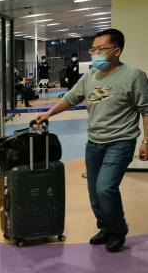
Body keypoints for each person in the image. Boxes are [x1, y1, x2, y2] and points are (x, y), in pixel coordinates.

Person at [35, 29, 148, 252]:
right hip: (94, 142)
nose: (95, 54)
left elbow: (146, 110)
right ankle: (105, 227)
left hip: (121, 141)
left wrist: (146, 141)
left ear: (117, 51)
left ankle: (117, 231)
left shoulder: (135, 76)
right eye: (93, 49)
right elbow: (70, 98)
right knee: (94, 192)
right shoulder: (90, 76)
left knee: (105, 188)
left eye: (101, 49)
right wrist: (48, 113)